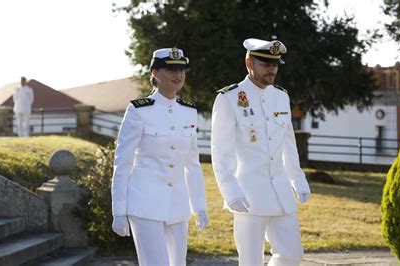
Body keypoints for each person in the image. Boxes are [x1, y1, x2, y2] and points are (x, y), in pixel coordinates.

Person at [211, 38, 311, 266]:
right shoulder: (229, 98)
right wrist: (230, 190)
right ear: (249, 63)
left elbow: (288, 143)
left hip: (281, 192)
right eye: (265, 64)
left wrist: (298, 179)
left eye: (275, 64)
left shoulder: (281, 96)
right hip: (249, 194)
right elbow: (220, 151)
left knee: (292, 254)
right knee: (250, 261)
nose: (272, 69)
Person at [111, 47, 209, 266]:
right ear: (154, 73)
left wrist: (199, 206)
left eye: (181, 69)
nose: (178, 74)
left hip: (178, 206)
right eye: (170, 69)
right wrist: (118, 211)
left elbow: (192, 164)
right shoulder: (139, 110)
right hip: (145, 204)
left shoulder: (189, 111)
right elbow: (123, 163)